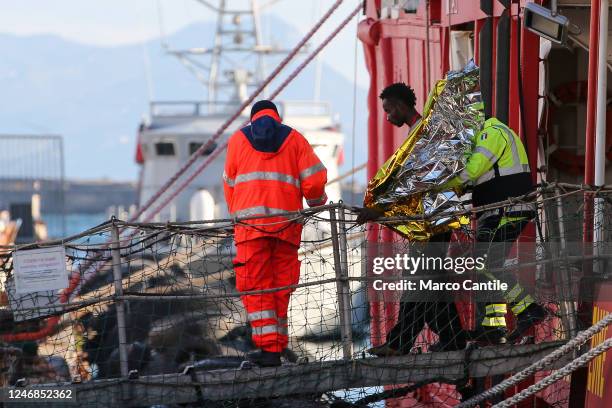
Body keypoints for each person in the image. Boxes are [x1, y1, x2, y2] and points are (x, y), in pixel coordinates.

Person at [361, 83, 467, 356]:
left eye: (387, 110)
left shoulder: (422, 136)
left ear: (398, 106)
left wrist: (379, 210)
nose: (387, 117)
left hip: (432, 223)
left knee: (418, 283)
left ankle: (399, 343)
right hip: (433, 221)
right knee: (433, 285)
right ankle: (453, 339)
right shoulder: (419, 134)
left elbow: (415, 184)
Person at [223, 100, 328, 367]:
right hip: (286, 228)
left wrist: (238, 213)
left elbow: (230, 184)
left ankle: (269, 350)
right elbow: (314, 180)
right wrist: (316, 202)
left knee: (256, 288)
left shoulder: (237, 141)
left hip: (250, 229)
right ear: (277, 117)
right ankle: (276, 348)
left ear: (252, 117)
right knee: (281, 288)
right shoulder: (295, 139)